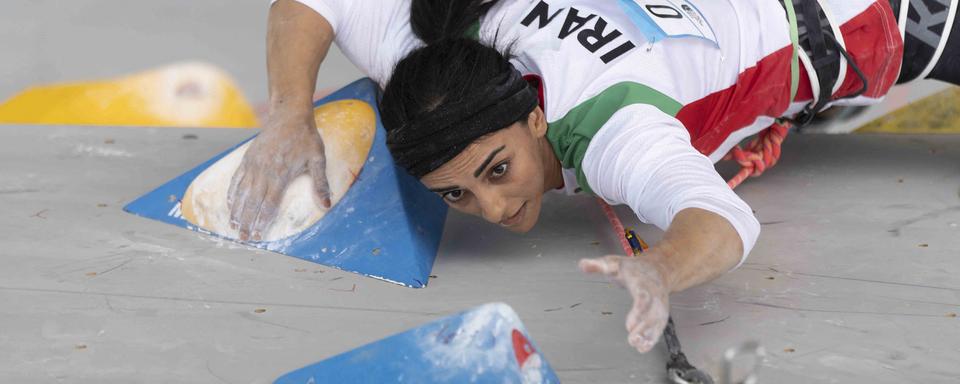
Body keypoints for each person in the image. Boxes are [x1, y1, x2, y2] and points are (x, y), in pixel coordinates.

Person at [232, 0, 960, 352]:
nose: (491, 206)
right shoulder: (430, 74)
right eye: (455, 194)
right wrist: (288, 115)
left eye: (497, 170)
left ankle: (777, 114)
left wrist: (663, 270)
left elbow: (724, 223)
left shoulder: (614, 133)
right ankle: (761, 121)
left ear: (538, 120)